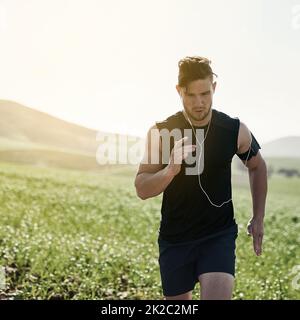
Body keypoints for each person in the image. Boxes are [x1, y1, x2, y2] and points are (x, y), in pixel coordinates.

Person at [134, 56, 267, 300]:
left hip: (218, 235)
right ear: (179, 91)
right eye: (191, 95)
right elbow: (142, 187)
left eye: (205, 94)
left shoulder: (234, 130)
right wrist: (170, 169)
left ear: (214, 88)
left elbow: (257, 166)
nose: (199, 103)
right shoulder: (161, 132)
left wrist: (258, 217)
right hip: (175, 239)